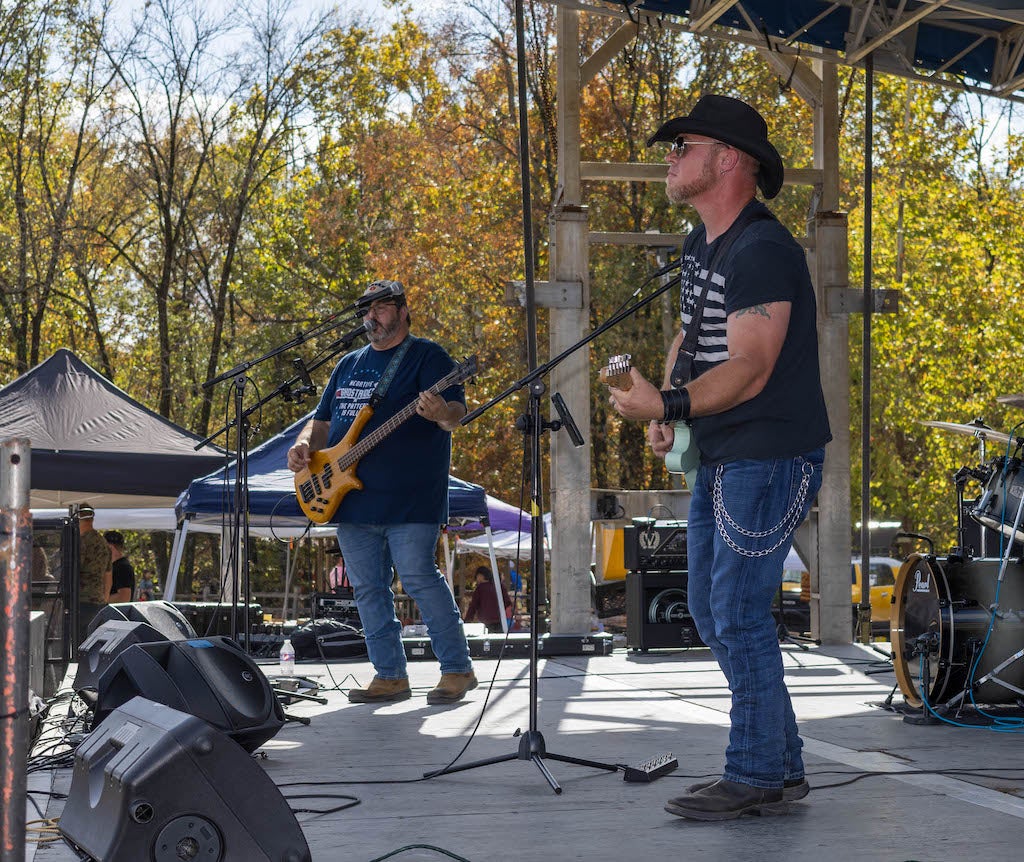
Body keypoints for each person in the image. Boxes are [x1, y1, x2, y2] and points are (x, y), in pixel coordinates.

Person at [608, 94, 831, 821]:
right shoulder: (701, 245)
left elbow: (750, 367)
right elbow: (693, 338)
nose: (669, 157)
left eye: (683, 146)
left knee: (735, 613)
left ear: (727, 158)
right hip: (727, 454)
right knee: (712, 609)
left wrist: (669, 407)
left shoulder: (764, 249)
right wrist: (669, 399)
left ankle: (756, 772)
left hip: (770, 456)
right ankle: (782, 765)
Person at [287, 279, 476, 705]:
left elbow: (455, 415)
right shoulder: (348, 363)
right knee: (368, 589)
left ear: (403, 310)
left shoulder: (428, 356)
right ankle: (389, 676)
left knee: (418, 578)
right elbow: (320, 424)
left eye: (382, 308)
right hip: (349, 497)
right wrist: (303, 447)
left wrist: (440, 412)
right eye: (366, 310)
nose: (372, 317)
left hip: (410, 496)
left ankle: (457, 669)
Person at [77, 505, 111, 638]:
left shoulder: (82, 541)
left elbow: (74, 571)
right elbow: (108, 575)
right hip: (98, 602)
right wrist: (104, 600)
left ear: (79, 518)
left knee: (79, 643)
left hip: (82, 600)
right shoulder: (103, 543)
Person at [463, 566, 512, 633]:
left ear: (481, 576)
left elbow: (473, 606)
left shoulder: (480, 588)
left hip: (485, 622)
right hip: (499, 620)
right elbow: (507, 602)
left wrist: (467, 620)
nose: (476, 579)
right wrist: (499, 610)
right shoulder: (499, 586)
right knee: (499, 641)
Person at [104, 531, 136, 604]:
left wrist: (99, 601)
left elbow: (124, 597)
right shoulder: (117, 566)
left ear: (110, 548)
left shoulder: (122, 567)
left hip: (115, 614)